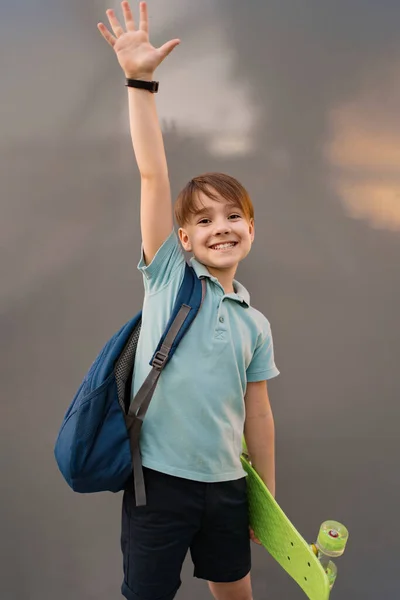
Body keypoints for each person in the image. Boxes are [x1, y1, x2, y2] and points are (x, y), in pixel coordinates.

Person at [98, 3, 279, 599]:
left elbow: (259, 413)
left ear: (252, 229)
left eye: (233, 216)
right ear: (182, 239)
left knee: (234, 590)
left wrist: (266, 502)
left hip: (228, 486)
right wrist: (139, 82)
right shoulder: (169, 278)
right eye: (203, 219)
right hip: (160, 484)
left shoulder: (255, 324)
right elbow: (153, 173)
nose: (220, 227)